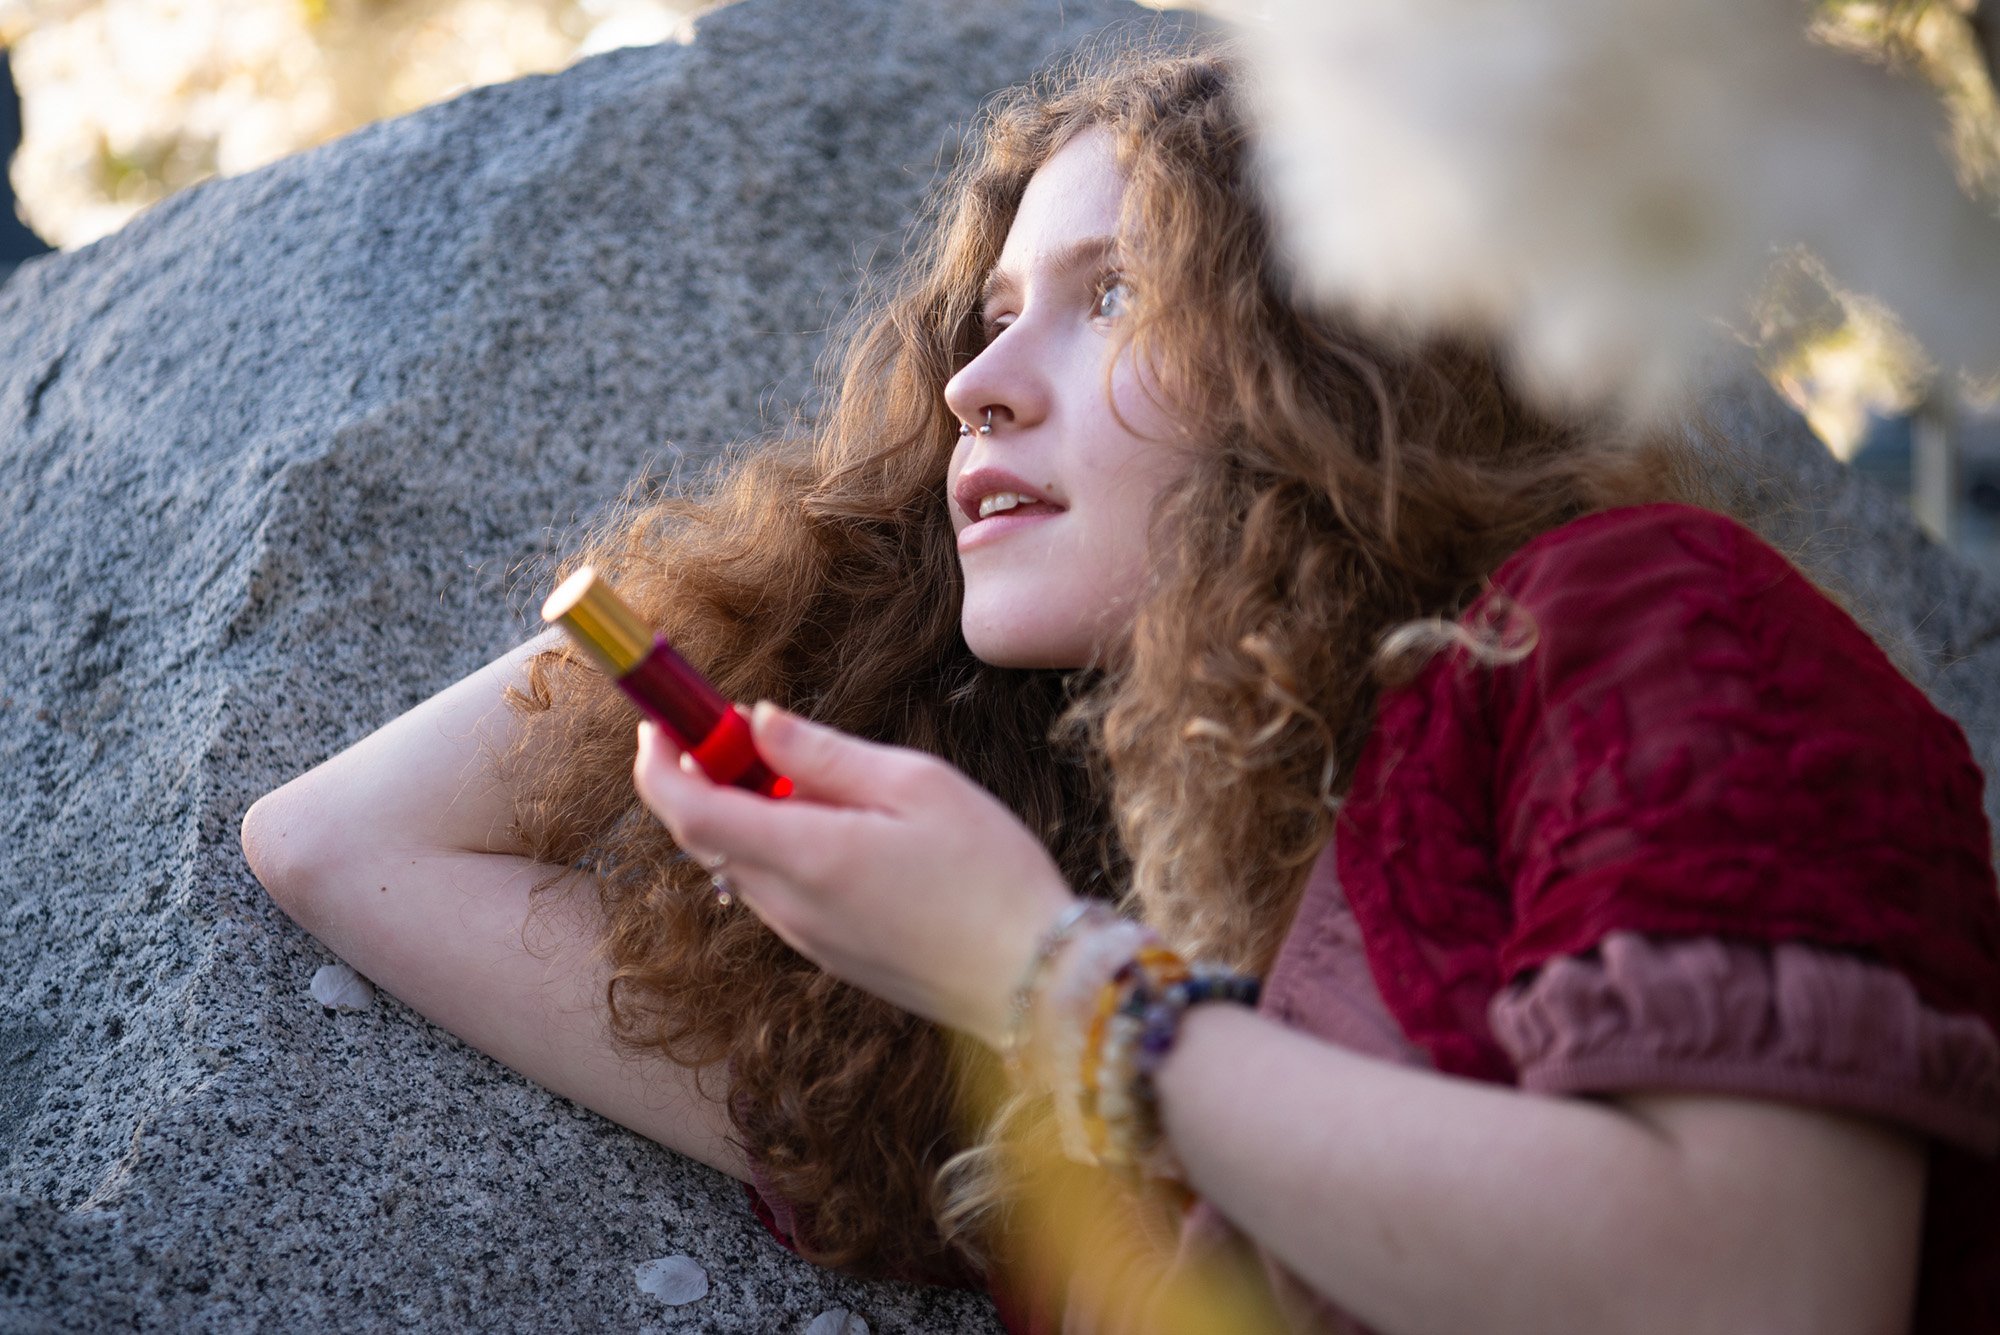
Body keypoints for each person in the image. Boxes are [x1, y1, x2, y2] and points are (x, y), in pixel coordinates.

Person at [242, 43, 2000, 1335]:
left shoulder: (1627, 628)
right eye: (982, 323)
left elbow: (1770, 1293)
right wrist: (862, 523)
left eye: (1121, 291)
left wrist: (1046, 982)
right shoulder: (1070, 973)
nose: (978, 383)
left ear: (1348, 353)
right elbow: (343, 842)